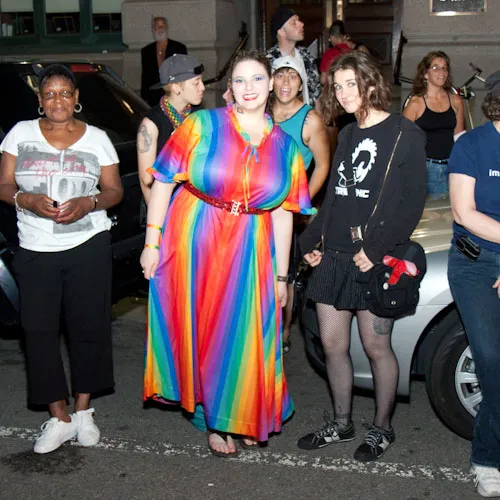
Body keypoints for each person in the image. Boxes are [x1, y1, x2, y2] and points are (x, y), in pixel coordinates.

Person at [140, 51, 315, 457]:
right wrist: (152, 244)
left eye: (257, 79)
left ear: (271, 85)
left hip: (252, 246)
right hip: (195, 239)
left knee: (246, 333)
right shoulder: (201, 125)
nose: (248, 88)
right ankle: (214, 420)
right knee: (203, 332)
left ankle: (244, 412)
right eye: (239, 80)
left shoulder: (286, 147)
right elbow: (163, 182)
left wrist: (281, 276)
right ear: (229, 88)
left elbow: (284, 214)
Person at [297, 51, 427, 462]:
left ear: (371, 83)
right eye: (338, 86)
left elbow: (412, 204)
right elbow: (335, 198)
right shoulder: (348, 133)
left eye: (351, 84)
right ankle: (341, 423)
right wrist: (311, 242)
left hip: (372, 259)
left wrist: (375, 250)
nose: (343, 92)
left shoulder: (405, 133)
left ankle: (382, 429)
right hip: (335, 256)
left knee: (376, 347)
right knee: (332, 344)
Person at [0, 64, 123, 454]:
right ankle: (59, 417)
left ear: (76, 98)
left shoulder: (97, 138)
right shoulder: (20, 134)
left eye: (64, 93)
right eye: (50, 93)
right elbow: (4, 184)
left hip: (88, 243)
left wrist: (89, 202)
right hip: (35, 248)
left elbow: (114, 190)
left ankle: (83, 411)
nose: (57, 100)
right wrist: (26, 199)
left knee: (88, 327)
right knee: (38, 330)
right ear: (40, 99)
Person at [447, 71, 500, 498]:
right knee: (492, 359)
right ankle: (487, 458)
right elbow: (464, 212)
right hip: (476, 263)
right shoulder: (471, 145)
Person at [271, 56, 330, 352]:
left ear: (301, 84)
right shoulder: (259, 111)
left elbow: (323, 165)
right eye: (280, 75)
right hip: (256, 209)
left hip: (288, 211)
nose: (285, 82)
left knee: (286, 273)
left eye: (292, 76)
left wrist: (301, 203)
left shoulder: (310, 120)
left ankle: (282, 334)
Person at [137, 54, 205, 204]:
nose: (203, 87)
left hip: (194, 204)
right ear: (175, 87)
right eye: (196, 83)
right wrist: (158, 215)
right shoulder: (151, 124)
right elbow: (146, 181)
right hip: (165, 204)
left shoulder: (199, 116)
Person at [403, 50, 464, 199]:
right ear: (425, 73)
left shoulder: (455, 100)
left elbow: (459, 136)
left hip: (452, 166)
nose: (441, 72)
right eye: (435, 68)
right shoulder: (416, 103)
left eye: (444, 68)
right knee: (434, 211)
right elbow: (402, 139)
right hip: (426, 168)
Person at [266, 7, 321, 107]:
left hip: (307, 114)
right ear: (281, 31)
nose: (301, 24)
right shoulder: (269, 61)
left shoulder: (306, 56)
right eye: (294, 23)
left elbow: (316, 94)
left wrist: (317, 116)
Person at [141, 16, 188, 106]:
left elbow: (184, 73)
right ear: (153, 29)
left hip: (174, 94)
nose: (160, 28)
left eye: (163, 25)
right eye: (157, 26)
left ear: (167, 27)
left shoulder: (179, 48)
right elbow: (145, 76)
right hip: (154, 97)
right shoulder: (146, 51)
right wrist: (144, 97)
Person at [319, 21, 353, 86]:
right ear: (344, 36)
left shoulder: (328, 54)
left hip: (334, 88)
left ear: (332, 37)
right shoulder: (353, 52)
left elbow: (323, 80)